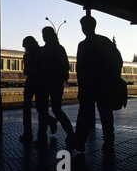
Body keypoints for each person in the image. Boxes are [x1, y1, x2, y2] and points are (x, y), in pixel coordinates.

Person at [74, 16, 123, 153]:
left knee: (84, 115)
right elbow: (118, 61)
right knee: (106, 115)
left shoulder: (83, 45)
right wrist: (113, 78)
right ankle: (108, 142)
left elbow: (80, 68)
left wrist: (81, 86)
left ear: (84, 27)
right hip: (104, 85)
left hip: (89, 86)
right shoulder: (105, 41)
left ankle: (80, 142)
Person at [34, 27, 74, 146]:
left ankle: (43, 137)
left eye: (45, 34)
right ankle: (69, 133)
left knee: (44, 110)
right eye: (43, 34)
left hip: (47, 82)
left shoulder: (43, 51)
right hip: (53, 83)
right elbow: (66, 66)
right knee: (54, 109)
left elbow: (37, 67)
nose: (44, 36)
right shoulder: (59, 49)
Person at [20, 36, 57, 142]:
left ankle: (37, 135)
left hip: (39, 81)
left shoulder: (40, 53)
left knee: (36, 108)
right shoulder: (37, 53)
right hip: (35, 81)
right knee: (39, 108)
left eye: (26, 45)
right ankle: (37, 133)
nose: (25, 48)